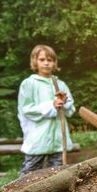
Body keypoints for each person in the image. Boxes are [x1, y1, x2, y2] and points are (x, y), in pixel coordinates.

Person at [17, 45, 75, 175]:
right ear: (35, 62)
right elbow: (26, 109)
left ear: (54, 62)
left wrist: (64, 102)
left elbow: (70, 109)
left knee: (57, 176)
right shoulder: (29, 84)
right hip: (38, 140)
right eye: (42, 59)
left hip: (60, 141)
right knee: (29, 176)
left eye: (50, 60)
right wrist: (51, 105)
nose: (46, 63)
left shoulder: (60, 84)